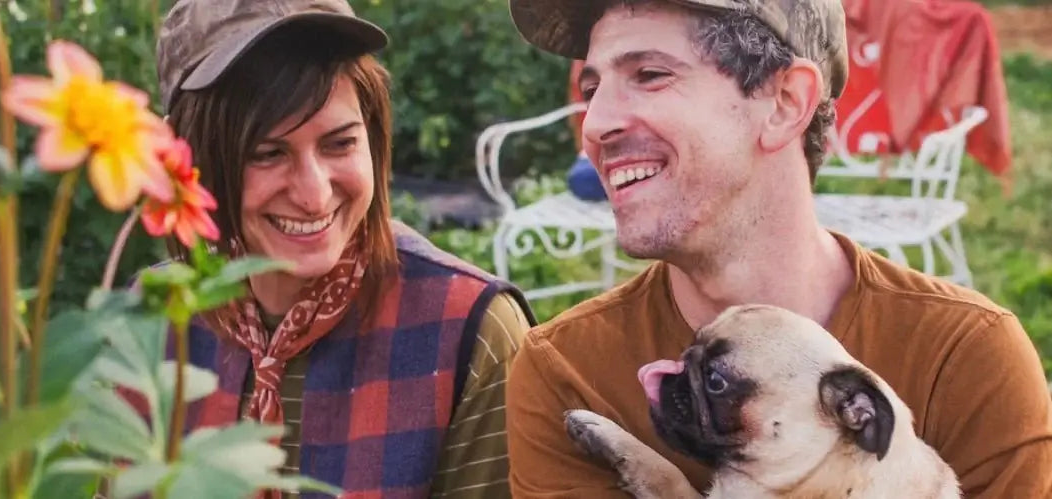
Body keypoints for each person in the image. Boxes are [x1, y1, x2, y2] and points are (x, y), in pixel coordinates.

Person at [503, 0, 1052, 497]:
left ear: (787, 103)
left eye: (649, 75)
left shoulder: (966, 358)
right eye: (592, 90)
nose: (594, 126)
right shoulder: (565, 372)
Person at [151, 1, 536, 497]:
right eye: (267, 153)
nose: (313, 194)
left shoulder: (468, 332)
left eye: (339, 144)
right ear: (182, 156)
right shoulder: (159, 316)